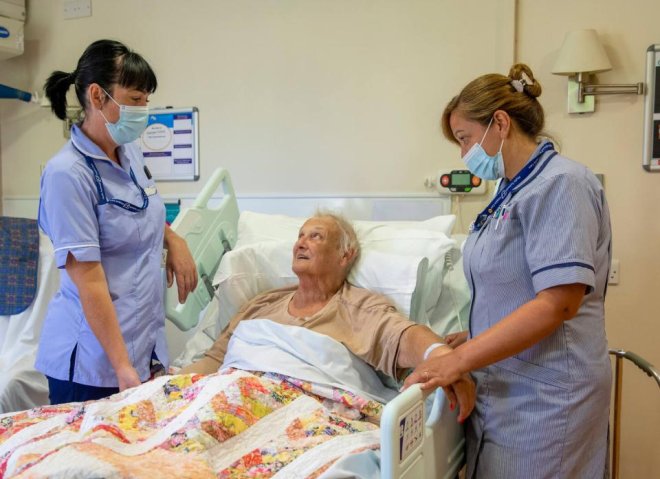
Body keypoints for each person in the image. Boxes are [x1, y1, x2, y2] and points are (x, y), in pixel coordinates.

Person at [403, 64, 612, 478]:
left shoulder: (561, 184)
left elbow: (558, 304)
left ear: (499, 122)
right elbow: (515, 284)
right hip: (506, 384)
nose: (464, 155)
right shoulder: (509, 193)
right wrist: (478, 330)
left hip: (548, 396)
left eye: (465, 139)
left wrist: (459, 359)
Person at [181, 212, 476, 421]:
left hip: (303, 415)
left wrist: (442, 356)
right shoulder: (260, 304)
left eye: (315, 236)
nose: (300, 243)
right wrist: (171, 382)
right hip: (229, 400)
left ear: (345, 255)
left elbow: (405, 337)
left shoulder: (358, 307)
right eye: (300, 236)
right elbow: (214, 361)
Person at [37, 39, 198, 404]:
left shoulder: (130, 153)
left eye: (146, 100)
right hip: (93, 363)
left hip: (140, 345)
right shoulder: (67, 174)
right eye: (136, 100)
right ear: (98, 96)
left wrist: (174, 240)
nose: (144, 111)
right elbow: (89, 280)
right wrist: (122, 367)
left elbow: (143, 211)